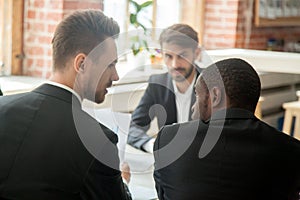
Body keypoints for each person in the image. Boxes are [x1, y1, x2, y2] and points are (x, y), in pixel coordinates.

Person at [0, 10, 131, 199]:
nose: (116, 76)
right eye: (110, 64)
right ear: (82, 64)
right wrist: (123, 181)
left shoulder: (2, 108)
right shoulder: (97, 140)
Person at [153, 58, 300, 200]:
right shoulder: (291, 150)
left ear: (215, 96)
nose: (193, 107)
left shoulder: (169, 139)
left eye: (197, 95)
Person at [127, 24, 202, 153]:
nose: (175, 64)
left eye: (182, 56)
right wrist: (153, 146)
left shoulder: (213, 84)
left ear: (197, 53)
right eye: (168, 56)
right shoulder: (157, 84)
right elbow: (134, 127)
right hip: (169, 163)